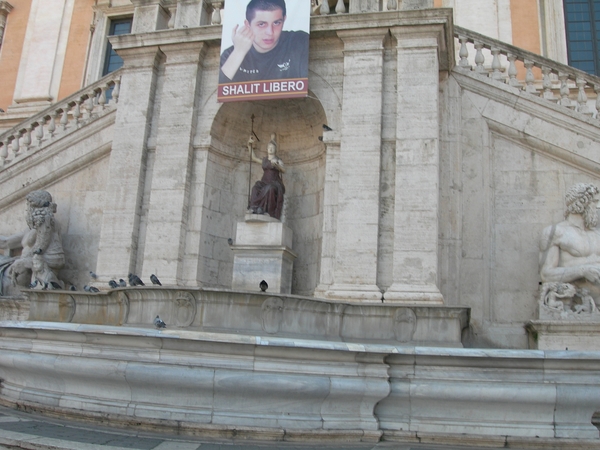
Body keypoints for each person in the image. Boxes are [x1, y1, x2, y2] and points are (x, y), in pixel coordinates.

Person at [539, 183, 600, 307]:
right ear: (582, 203)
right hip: (574, 301)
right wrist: (582, 271)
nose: (598, 207)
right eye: (595, 202)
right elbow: (546, 274)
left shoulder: (596, 234)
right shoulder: (556, 232)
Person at [219, 0, 309, 83]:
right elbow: (220, 93)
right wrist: (239, 52)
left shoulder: (299, 42)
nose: (270, 32)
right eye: (261, 24)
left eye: (276, 23)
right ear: (248, 24)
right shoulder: (231, 54)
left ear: (284, 20)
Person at [248, 133, 285, 220]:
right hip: (264, 182)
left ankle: (269, 212)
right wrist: (249, 145)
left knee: (270, 188)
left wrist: (277, 166)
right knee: (255, 188)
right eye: (269, 147)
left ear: (275, 149)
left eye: (272, 148)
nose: (270, 149)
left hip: (275, 183)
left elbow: (284, 170)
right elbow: (253, 157)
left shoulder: (278, 160)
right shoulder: (265, 160)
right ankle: (254, 208)